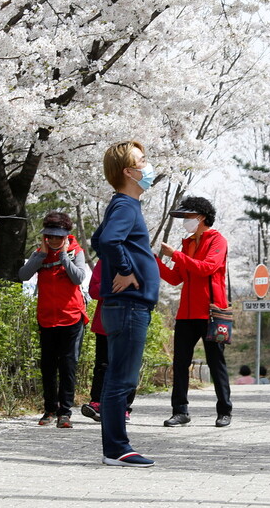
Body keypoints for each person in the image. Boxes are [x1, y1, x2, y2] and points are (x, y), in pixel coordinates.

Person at [91, 140, 161, 468]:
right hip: (129, 304)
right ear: (129, 172)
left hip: (126, 304)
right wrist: (125, 270)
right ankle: (117, 448)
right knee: (122, 379)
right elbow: (106, 240)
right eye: (142, 161)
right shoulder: (126, 206)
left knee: (120, 377)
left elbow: (97, 238)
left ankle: (115, 446)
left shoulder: (122, 204)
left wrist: (123, 266)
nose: (148, 167)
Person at [157, 196, 233, 428]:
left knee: (215, 361)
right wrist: (154, 261)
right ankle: (180, 411)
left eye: (188, 217)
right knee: (180, 363)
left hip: (211, 312)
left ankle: (225, 410)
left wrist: (175, 255)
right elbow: (175, 277)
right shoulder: (187, 243)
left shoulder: (217, 240)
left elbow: (207, 268)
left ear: (201, 217)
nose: (185, 221)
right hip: (186, 314)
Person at [18, 211, 89, 429]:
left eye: (59, 236)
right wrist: (41, 254)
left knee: (68, 365)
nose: (55, 240)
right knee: (48, 366)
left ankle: (64, 413)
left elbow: (78, 277)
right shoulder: (40, 253)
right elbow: (23, 275)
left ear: (67, 235)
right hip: (47, 318)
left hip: (72, 318)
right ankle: (49, 409)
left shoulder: (77, 252)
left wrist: (64, 255)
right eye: (50, 236)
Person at [80, 260, 136, 423]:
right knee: (102, 365)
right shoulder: (105, 260)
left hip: (132, 321)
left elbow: (144, 288)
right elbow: (94, 290)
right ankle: (97, 403)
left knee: (127, 367)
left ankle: (124, 407)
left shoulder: (141, 258)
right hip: (105, 321)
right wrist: (117, 285)